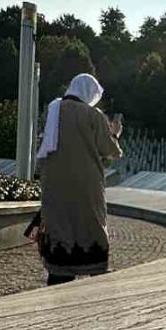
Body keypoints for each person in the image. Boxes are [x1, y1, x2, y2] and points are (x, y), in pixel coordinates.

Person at [34, 73, 123, 285]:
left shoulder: (54, 110)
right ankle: (93, 273)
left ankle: (59, 273)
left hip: (54, 181)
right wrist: (115, 134)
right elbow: (110, 150)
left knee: (60, 222)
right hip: (86, 183)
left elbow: (45, 145)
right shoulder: (93, 115)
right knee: (89, 223)